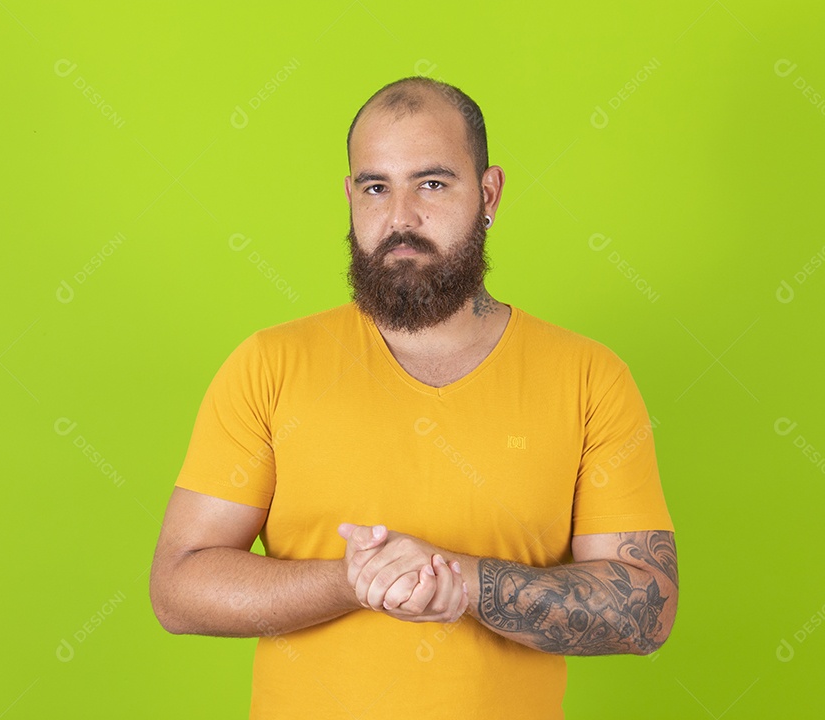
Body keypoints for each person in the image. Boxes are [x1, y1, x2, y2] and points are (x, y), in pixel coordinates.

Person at [149, 75, 678, 719]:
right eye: (376, 187)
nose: (400, 218)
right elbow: (179, 587)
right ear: (349, 197)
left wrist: (462, 583)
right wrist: (356, 580)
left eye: (431, 183)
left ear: (488, 194)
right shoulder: (269, 364)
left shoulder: (590, 377)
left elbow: (644, 607)